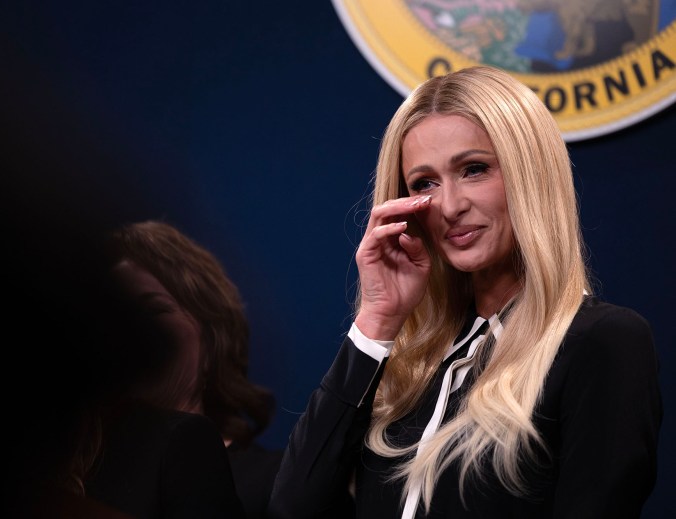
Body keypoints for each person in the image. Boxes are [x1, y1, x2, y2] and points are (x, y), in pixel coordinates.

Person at [268, 66, 662, 518]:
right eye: (424, 184)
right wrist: (377, 318)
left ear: (529, 174)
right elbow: (292, 508)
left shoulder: (601, 341)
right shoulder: (408, 364)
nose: (450, 206)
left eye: (474, 170)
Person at [86, 221, 282, 519]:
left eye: (154, 310)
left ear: (213, 340)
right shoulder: (71, 474)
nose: (130, 331)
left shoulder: (278, 485)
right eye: (116, 315)